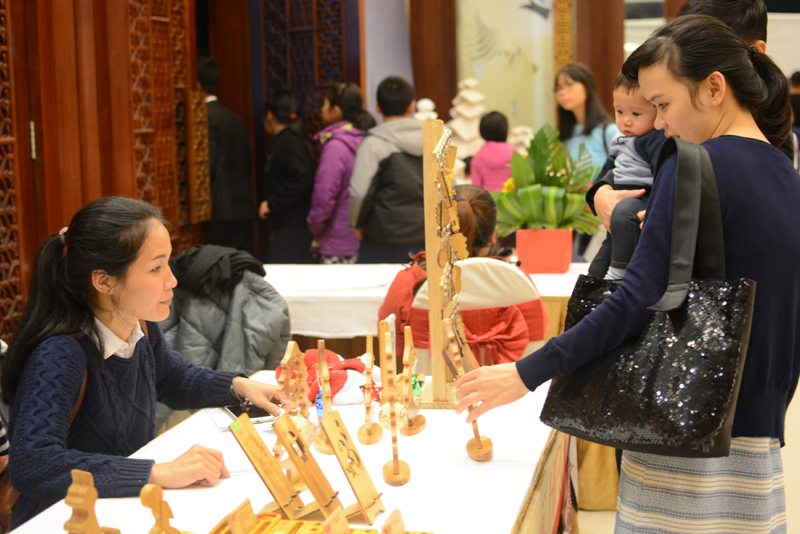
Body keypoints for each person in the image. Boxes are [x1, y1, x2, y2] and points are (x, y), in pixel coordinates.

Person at [457, 15, 798, 533]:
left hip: (682, 431)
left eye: (663, 104)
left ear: (714, 88)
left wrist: (528, 372)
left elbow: (637, 296)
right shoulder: (784, 171)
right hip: (758, 435)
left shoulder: (691, 165)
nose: (658, 123)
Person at [1, 197, 289, 529]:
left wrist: (238, 386)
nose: (172, 280)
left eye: (168, 263)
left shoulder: (138, 325)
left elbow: (172, 379)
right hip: (64, 520)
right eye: (156, 268)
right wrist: (155, 472)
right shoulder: (61, 353)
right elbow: (33, 464)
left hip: (122, 507)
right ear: (104, 281)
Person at [592, 0, 795, 260]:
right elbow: (631, 154)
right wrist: (601, 191)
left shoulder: (767, 143)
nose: (660, 121)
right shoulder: (676, 126)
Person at [379, 184, 517, 359]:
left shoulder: (408, 282)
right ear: (493, 234)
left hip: (427, 377)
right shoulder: (517, 281)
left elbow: (393, 351)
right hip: (505, 376)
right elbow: (535, 347)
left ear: (437, 232)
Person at [588, 74, 666, 280]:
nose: (626, 120)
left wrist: (659, 208)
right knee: (604, 255)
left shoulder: (655, 139)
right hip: (620, 203)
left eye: (636, 113)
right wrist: (598, 189)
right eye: (619, 111)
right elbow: (610, 167)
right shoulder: (622, 139)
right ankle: (594, 282)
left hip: (643, 199)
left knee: (623, 213)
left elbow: (664, 175)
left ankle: (619, 272)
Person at [349, 76, 425, 264]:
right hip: (427, 238)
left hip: (383, 239)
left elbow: (359, 192)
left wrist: (356, 224)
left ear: (377, 107)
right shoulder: (434, 141)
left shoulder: (374, 143)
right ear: (411, 106)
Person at [554, 64, 618, 261]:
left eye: (569, 85)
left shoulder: (609, 131)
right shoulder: (565, 136)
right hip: (574, 218)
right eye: (558, 88)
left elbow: (626, 170)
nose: (562, 92)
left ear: (587, 86)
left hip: (600, 218)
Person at [307, 84, 375, 264]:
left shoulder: (336, 146)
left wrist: (314, 226)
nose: (321, 109)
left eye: (324, 104)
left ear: (336, 111)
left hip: (338, 241)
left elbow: (324, 195)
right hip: (365, 239)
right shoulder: (368, 139)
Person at [197, 57, 257, 251]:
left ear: (197, 85)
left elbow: (207, 166)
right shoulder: (235, 119)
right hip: (243, 209)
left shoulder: (203, 118)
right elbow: (247, 165)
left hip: (218, 211)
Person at [260, 91, 317, 263]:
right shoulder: (290, 139)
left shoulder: (289, 141)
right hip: (291, 225)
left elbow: (302, 179)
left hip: (294, 226)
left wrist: (272, 205)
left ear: (270, 115)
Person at [470, 111, 516, 192]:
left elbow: (476, 190)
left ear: (482, 132)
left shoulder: (478, 157)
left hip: (488, 199)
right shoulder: (515, 154)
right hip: (511, 198)